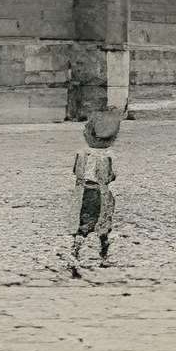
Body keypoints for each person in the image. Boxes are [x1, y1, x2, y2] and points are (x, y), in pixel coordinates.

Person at [66, 107, 122, 276]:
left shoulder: (81, 153)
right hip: (99, 193)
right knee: (103, 227)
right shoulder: (107, 156)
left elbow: (76, 171)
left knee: (82, 226)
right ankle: (103, 257)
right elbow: (108, 177)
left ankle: (74, 255)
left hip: (83, 192)